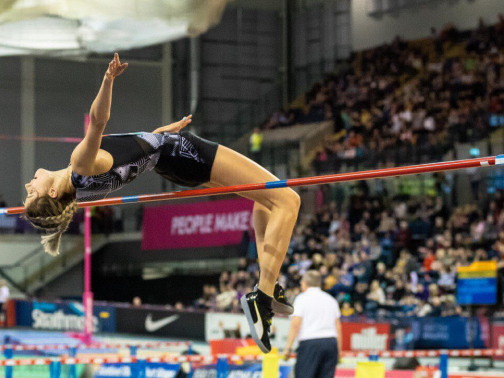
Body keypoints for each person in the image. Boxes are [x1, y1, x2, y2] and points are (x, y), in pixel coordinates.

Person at [21, 53, 301, 353]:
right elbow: (98, 122)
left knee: (264, 201)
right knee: (288, 199)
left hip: (172, 163)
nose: (28, 184)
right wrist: (107, 81)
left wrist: (157, 136)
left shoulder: (84, 192)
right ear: (52, 194)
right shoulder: (79, 165)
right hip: (183, 155)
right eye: (31, 192)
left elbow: (131, 160)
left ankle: (268, 288)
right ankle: (263, 297)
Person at [284, 271, 341, 378]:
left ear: (305, 283)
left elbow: (295, 325)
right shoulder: (331, 300)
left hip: (310, 343)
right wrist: (339, 349)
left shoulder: (302, 298)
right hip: (330, 343)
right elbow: (338, 327)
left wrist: (288, 348)